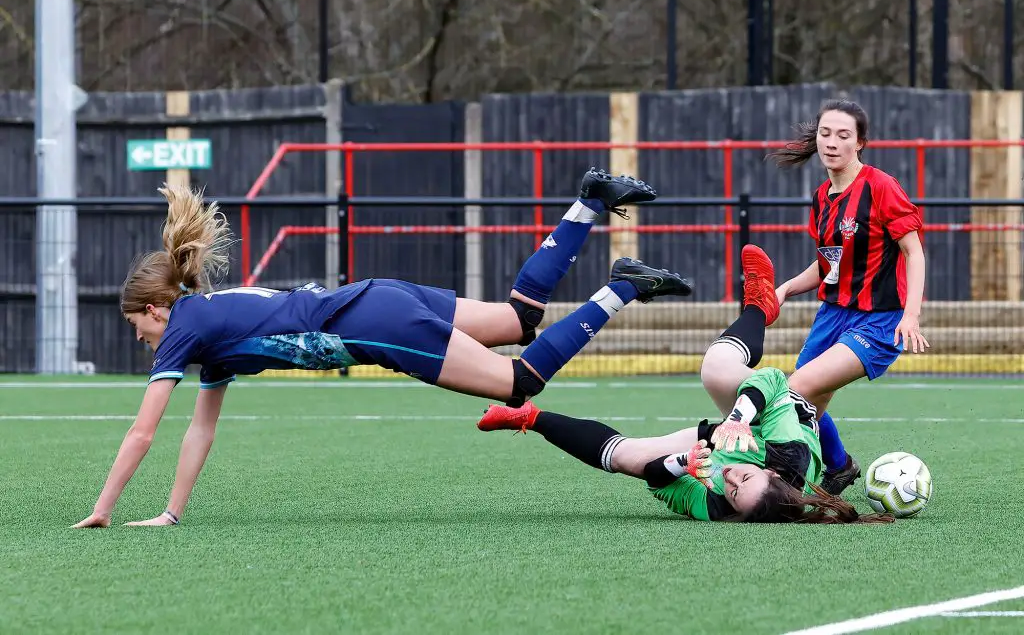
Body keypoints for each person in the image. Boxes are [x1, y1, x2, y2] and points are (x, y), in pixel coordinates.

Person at [72, 169, 693, 528]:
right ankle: (588, 201)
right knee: (518, 318)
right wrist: (170, 514)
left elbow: (142, 433)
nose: (140, 337)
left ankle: (620, 287)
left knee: (520, 383)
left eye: (137, 325)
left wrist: (102, 509)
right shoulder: (210, 330)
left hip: (373, 326)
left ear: (156, 309)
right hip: (379, 295)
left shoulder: (182, 325)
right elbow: (199, 431)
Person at [478, 245, 894, 524]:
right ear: (770, 473)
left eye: (733, 494)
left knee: (628, 459)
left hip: (722, 440)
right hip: (772, 415)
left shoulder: (717, 504)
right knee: (716, 368)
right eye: (743, 481)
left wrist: (684, 464)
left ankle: (528, 416)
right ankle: (759, 306)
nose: (730, 481)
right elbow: (772, 380)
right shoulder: (790, 454)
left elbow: (658, 483)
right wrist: (738, 418)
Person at [752, 98, 927, 496]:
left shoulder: (881, 187)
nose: (831, 142)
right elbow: (827, 265)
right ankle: (837, 467)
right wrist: (785, 289)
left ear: (859, 143)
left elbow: (913, 251)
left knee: (795, 389)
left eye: (843, 135)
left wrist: (911, 315)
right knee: (807, 402)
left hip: (879, 321)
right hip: (832, 315)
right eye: (825, 133)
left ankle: (788, 478)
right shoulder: (821, 198)